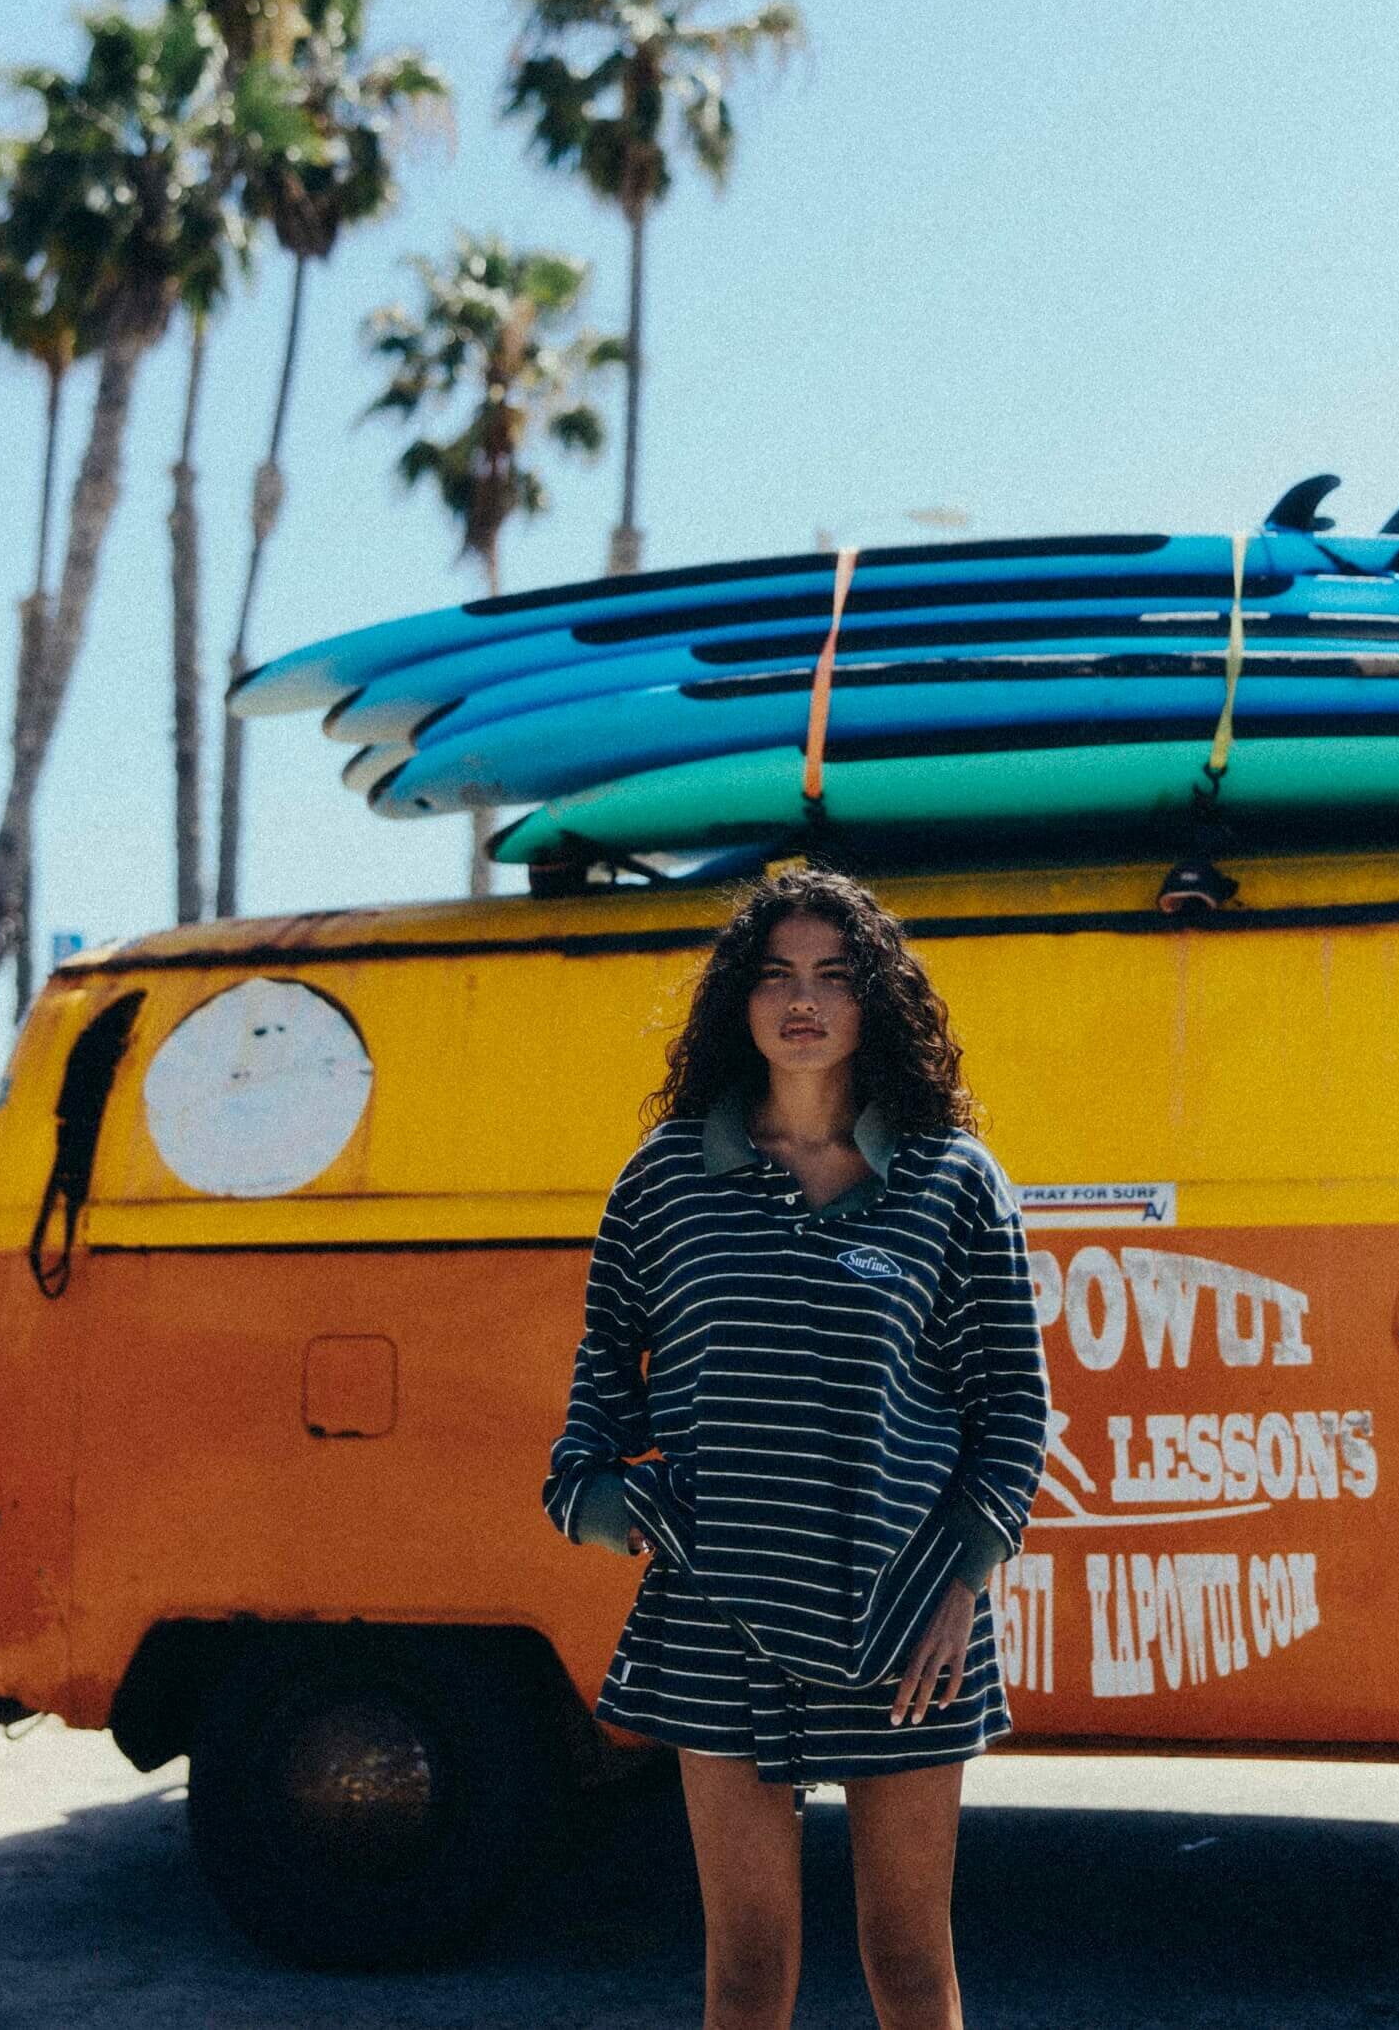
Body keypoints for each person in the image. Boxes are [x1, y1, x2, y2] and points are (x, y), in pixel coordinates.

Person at [542, 864, 1050, 2030]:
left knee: (911, 1962)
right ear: (741, 1003)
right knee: (746, 1966)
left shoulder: (950, 1181)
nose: (802, 999)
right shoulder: (666, 1177)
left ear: (876, 1002)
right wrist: (633, 1510)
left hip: (910, 1619)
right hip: (714, 1619)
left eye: (833, 974)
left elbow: (1012, 1408)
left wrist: (961, 1585)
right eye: (775, 975)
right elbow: (591, 1418)